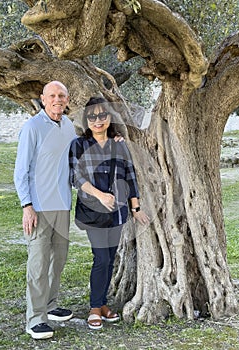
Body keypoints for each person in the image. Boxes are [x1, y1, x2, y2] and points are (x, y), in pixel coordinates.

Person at [69, 97, 150, 330]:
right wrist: (100, 195)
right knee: (101, 258)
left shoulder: (119, 145)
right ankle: (95, 307)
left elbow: (130, 175)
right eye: (92, 116)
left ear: (109, 118)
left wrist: (135, 208)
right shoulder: (79, 145)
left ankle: (102, 304)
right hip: (92, 213)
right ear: (86, 120)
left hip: (117, 214)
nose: (97, 120)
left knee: (110, 259)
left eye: (102, 115)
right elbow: (76, 177)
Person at [14, 81, 77, 339]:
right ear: (43, 98)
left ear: (67, 98)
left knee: (58, 261)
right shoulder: (32, 127)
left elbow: (73, 162)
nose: (57, 99)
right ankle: (35, 319)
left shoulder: (69, 125)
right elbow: (21, 171)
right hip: (38, 208)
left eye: (61, 95)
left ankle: (50, 306)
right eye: (52, 95)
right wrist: (27, 206)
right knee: (38, 265)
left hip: (62, 205)